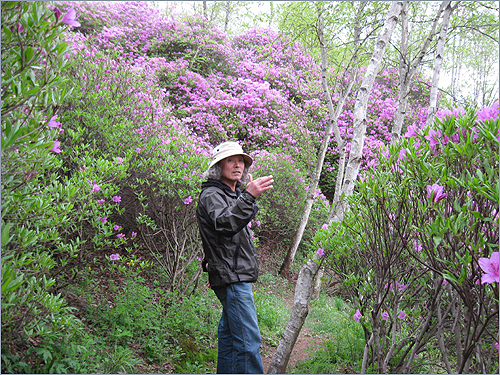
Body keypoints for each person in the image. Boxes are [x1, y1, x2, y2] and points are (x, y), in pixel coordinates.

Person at [196, 141, 274, 374]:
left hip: (231, 274)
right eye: (231, 160)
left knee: (230, 340)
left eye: (241, 161)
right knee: (248, 342)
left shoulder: (231, 195)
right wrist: (249, 197)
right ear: (218, 166)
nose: (238, 165)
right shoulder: (212, 194)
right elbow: (225, 224)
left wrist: (212, 265)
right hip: (233, 277)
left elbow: (219, 238)